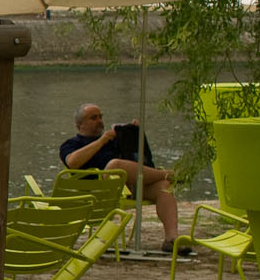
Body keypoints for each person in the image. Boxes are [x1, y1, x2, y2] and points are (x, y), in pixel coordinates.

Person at [59, 102, 189, 254]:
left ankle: (171, 239)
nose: (99, 121)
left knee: (164, 186)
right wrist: (101, 141)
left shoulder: (114, 141)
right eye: (93, 118)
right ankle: (169, 174)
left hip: (127, 188)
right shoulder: (72, 144)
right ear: (80, 124)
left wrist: (135, 134)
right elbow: (72, 162)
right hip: (97, 192)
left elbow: (138, 159)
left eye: (100, 117)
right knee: (115, 165)